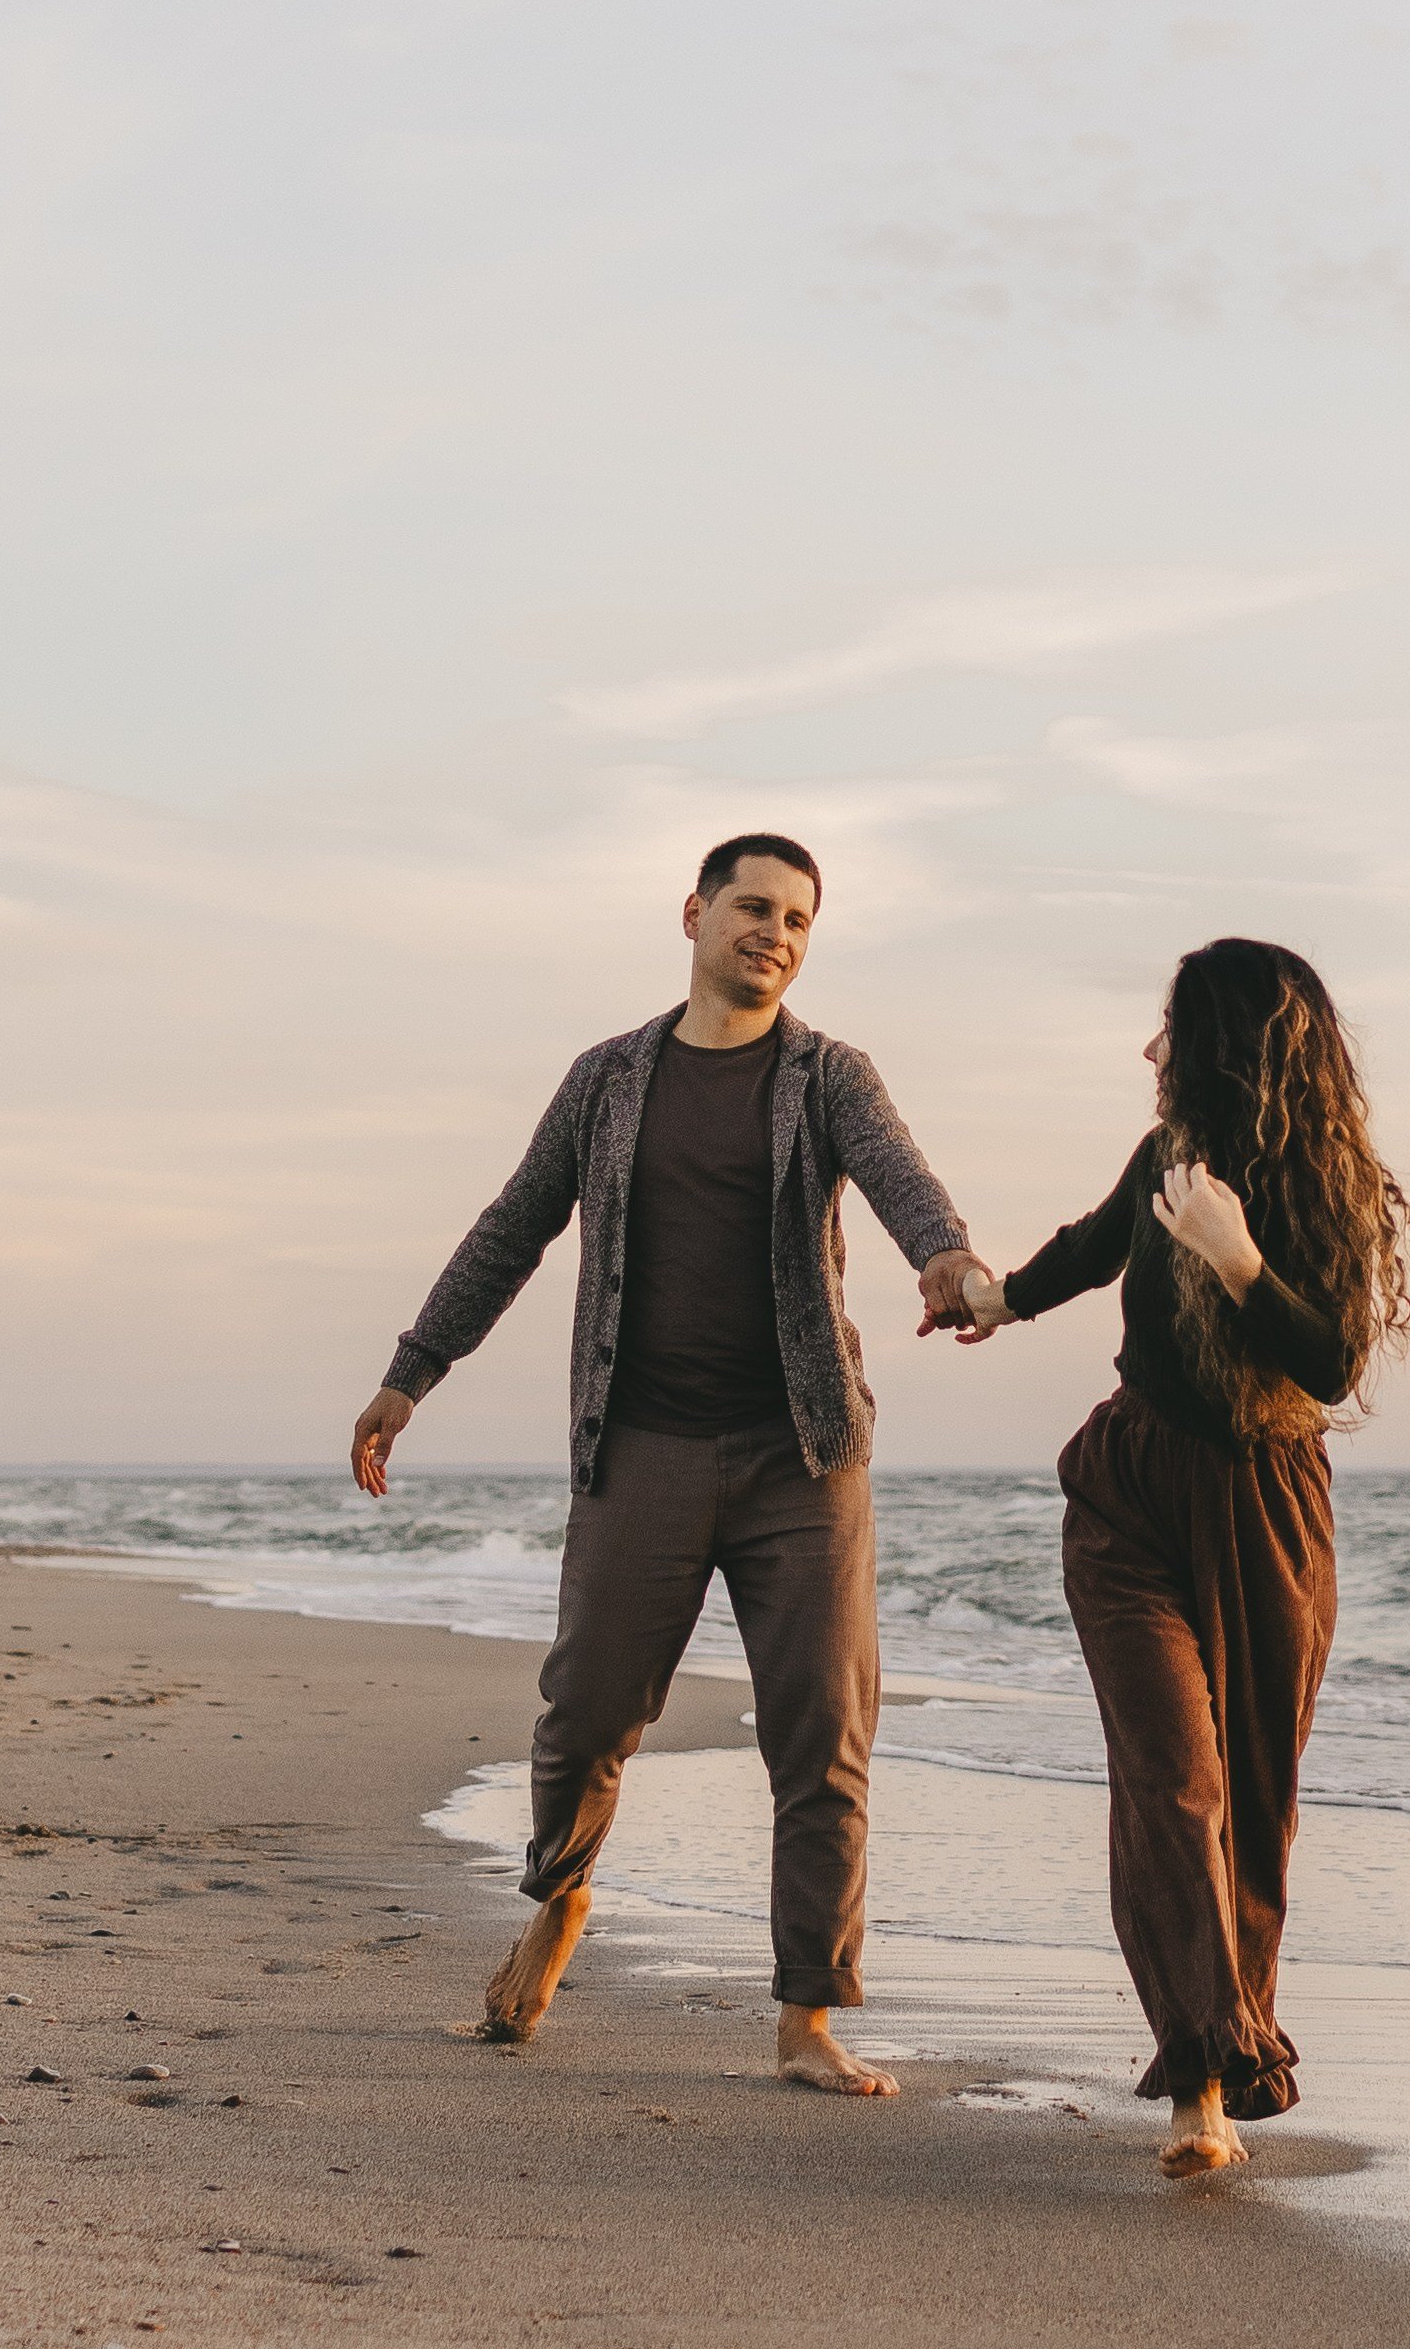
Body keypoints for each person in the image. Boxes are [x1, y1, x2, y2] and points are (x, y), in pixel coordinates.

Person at [350, 833, 991, 2096]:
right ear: (693, 913)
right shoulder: (606, 1082)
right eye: (754, 907)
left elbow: (904, 1185)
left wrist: (952, 1262)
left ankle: (808, 2016)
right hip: (637, 1445)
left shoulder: (828, 1076)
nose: (777, 933)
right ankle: (561, 1892)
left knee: (823, 1738)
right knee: (585, 1715)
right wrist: (409, 1372)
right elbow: (511, 1227)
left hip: (802, 1457)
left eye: (800, 920)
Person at [919, 936, 1410, 2176]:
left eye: (1170, 1030)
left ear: (1230, 1051)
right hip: (1131, 1493)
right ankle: (1206, 2078)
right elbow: (1094, 1246)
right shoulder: (1163, 1158)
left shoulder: (1330, 1192)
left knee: (1251, 1796)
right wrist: (998, 1299)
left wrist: (1237, 1255)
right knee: (1175, 1780)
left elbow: (1334, 1361)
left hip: (1268, 1507)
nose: (1149, 1051)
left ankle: (1222, 2040)